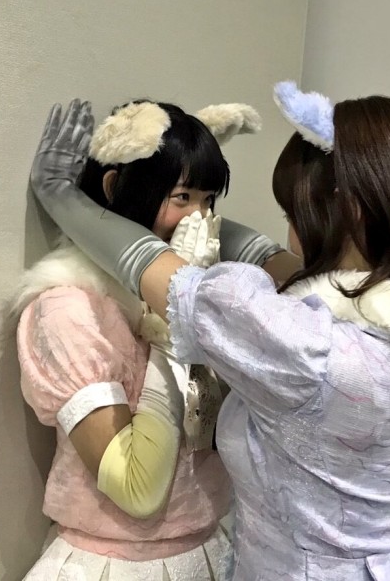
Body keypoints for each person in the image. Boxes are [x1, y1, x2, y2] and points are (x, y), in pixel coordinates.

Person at [28, 86, 390, 580]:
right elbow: (281, 265)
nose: (291, 234)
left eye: (293, 214)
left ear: (350, 212)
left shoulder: (307, 346)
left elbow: (173, 278)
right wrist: (185, 188)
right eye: (185, 199)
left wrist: (61, 196)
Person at [13, 98, 268, 579]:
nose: (199, 220)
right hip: (114, 562)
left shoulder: (210, 295)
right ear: (115, 187)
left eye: (209, 202)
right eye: (182, 198)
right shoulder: (73, 311)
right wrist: (174, 332)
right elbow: (136, 488)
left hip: (210, 549)